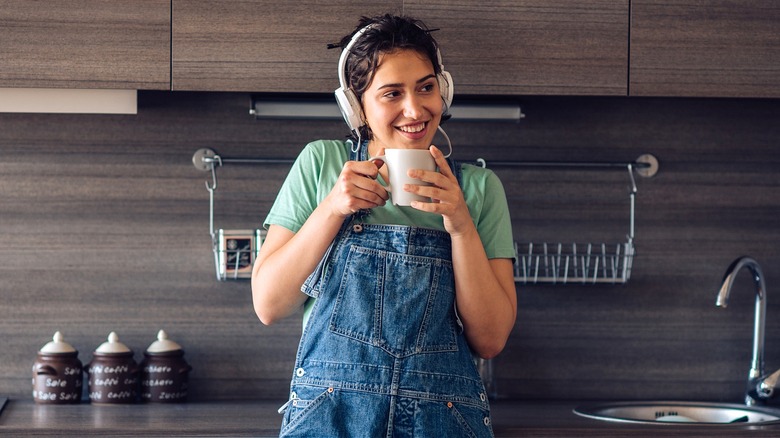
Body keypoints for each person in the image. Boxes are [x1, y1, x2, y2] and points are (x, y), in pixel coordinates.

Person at [252, 14, 517, 437]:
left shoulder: (480, 189)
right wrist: (333, 210)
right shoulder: (321, 164)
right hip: (330, 416)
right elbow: (268, 305)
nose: (415, 109)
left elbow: (490, 340)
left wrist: (461, 226)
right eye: (392, 93)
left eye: (426, 87)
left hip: (442, 419)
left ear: (443, 90)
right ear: (357, 106)